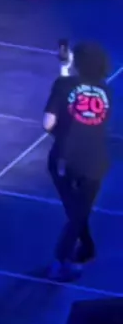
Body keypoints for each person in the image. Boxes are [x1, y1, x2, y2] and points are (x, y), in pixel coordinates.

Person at [44, 42, 112, 282]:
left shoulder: (63, 85)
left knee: (75, 213)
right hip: (95, 160)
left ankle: (60, 261)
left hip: (65, 158)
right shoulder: (106, 90)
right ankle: (87, 248)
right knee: (80, 210)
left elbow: (48, 123)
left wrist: (63, 133)